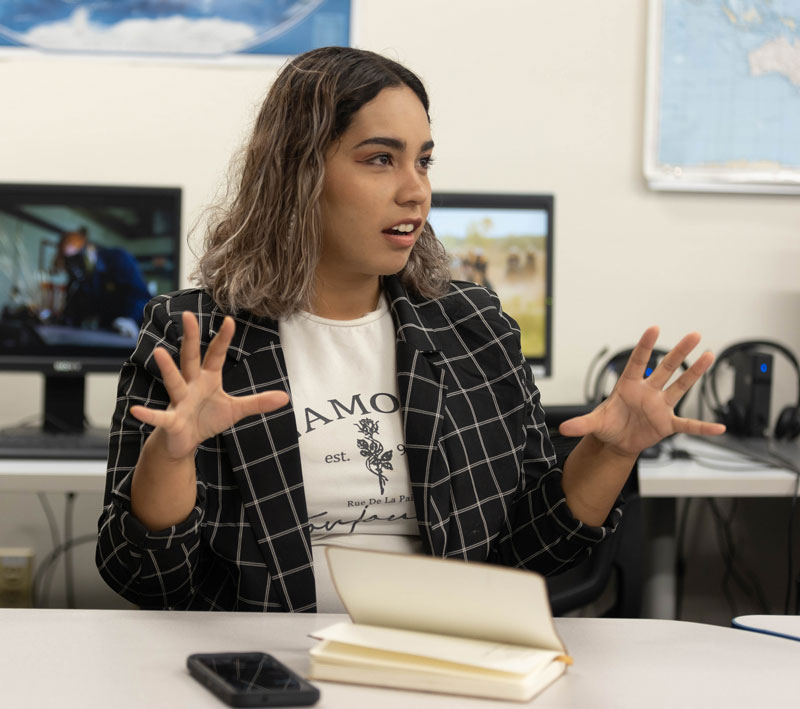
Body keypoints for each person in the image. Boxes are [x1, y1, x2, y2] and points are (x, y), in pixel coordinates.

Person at [95, 47, 724, 612]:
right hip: (266, 665)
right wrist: (170, 459)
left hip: (437, 658)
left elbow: (533, 553)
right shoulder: (195, 334)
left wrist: (612, 452)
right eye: (380, 159)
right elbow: (146, 578)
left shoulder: (471, 325)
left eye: (423, 161)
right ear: (298, 174)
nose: (416, 190)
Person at [55, 227, 151, 337]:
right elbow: (73, 307)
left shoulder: (118, 259)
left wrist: (131, 319)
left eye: (77, 258)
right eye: (69, 261)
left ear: (88, 250)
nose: (74, 266)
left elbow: (140, 295)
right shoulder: (80, 277)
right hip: (105, 330)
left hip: (130, 330)